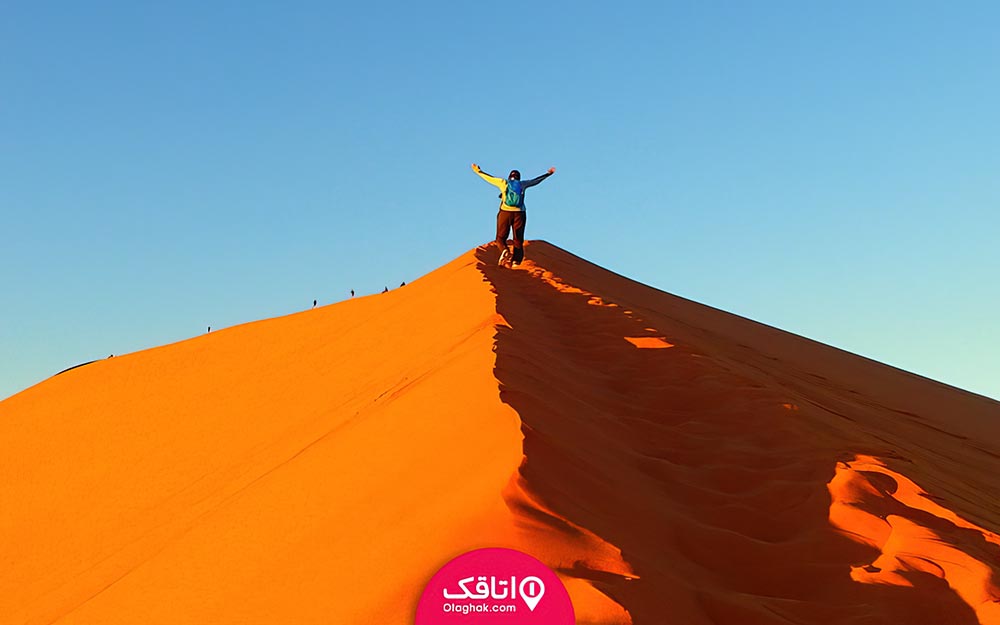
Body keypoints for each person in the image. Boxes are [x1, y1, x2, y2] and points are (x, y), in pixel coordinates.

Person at [471, 163, 555, 266]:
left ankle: (504, 250)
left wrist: (477, 171)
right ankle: (516, 262)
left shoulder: (503, 183)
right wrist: (548, 174)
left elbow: (489, 178)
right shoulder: (522, 184)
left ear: (509, 177)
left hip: (505, 212)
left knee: (500, 238)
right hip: (520, 213)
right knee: (518, 239)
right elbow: (535, 181)